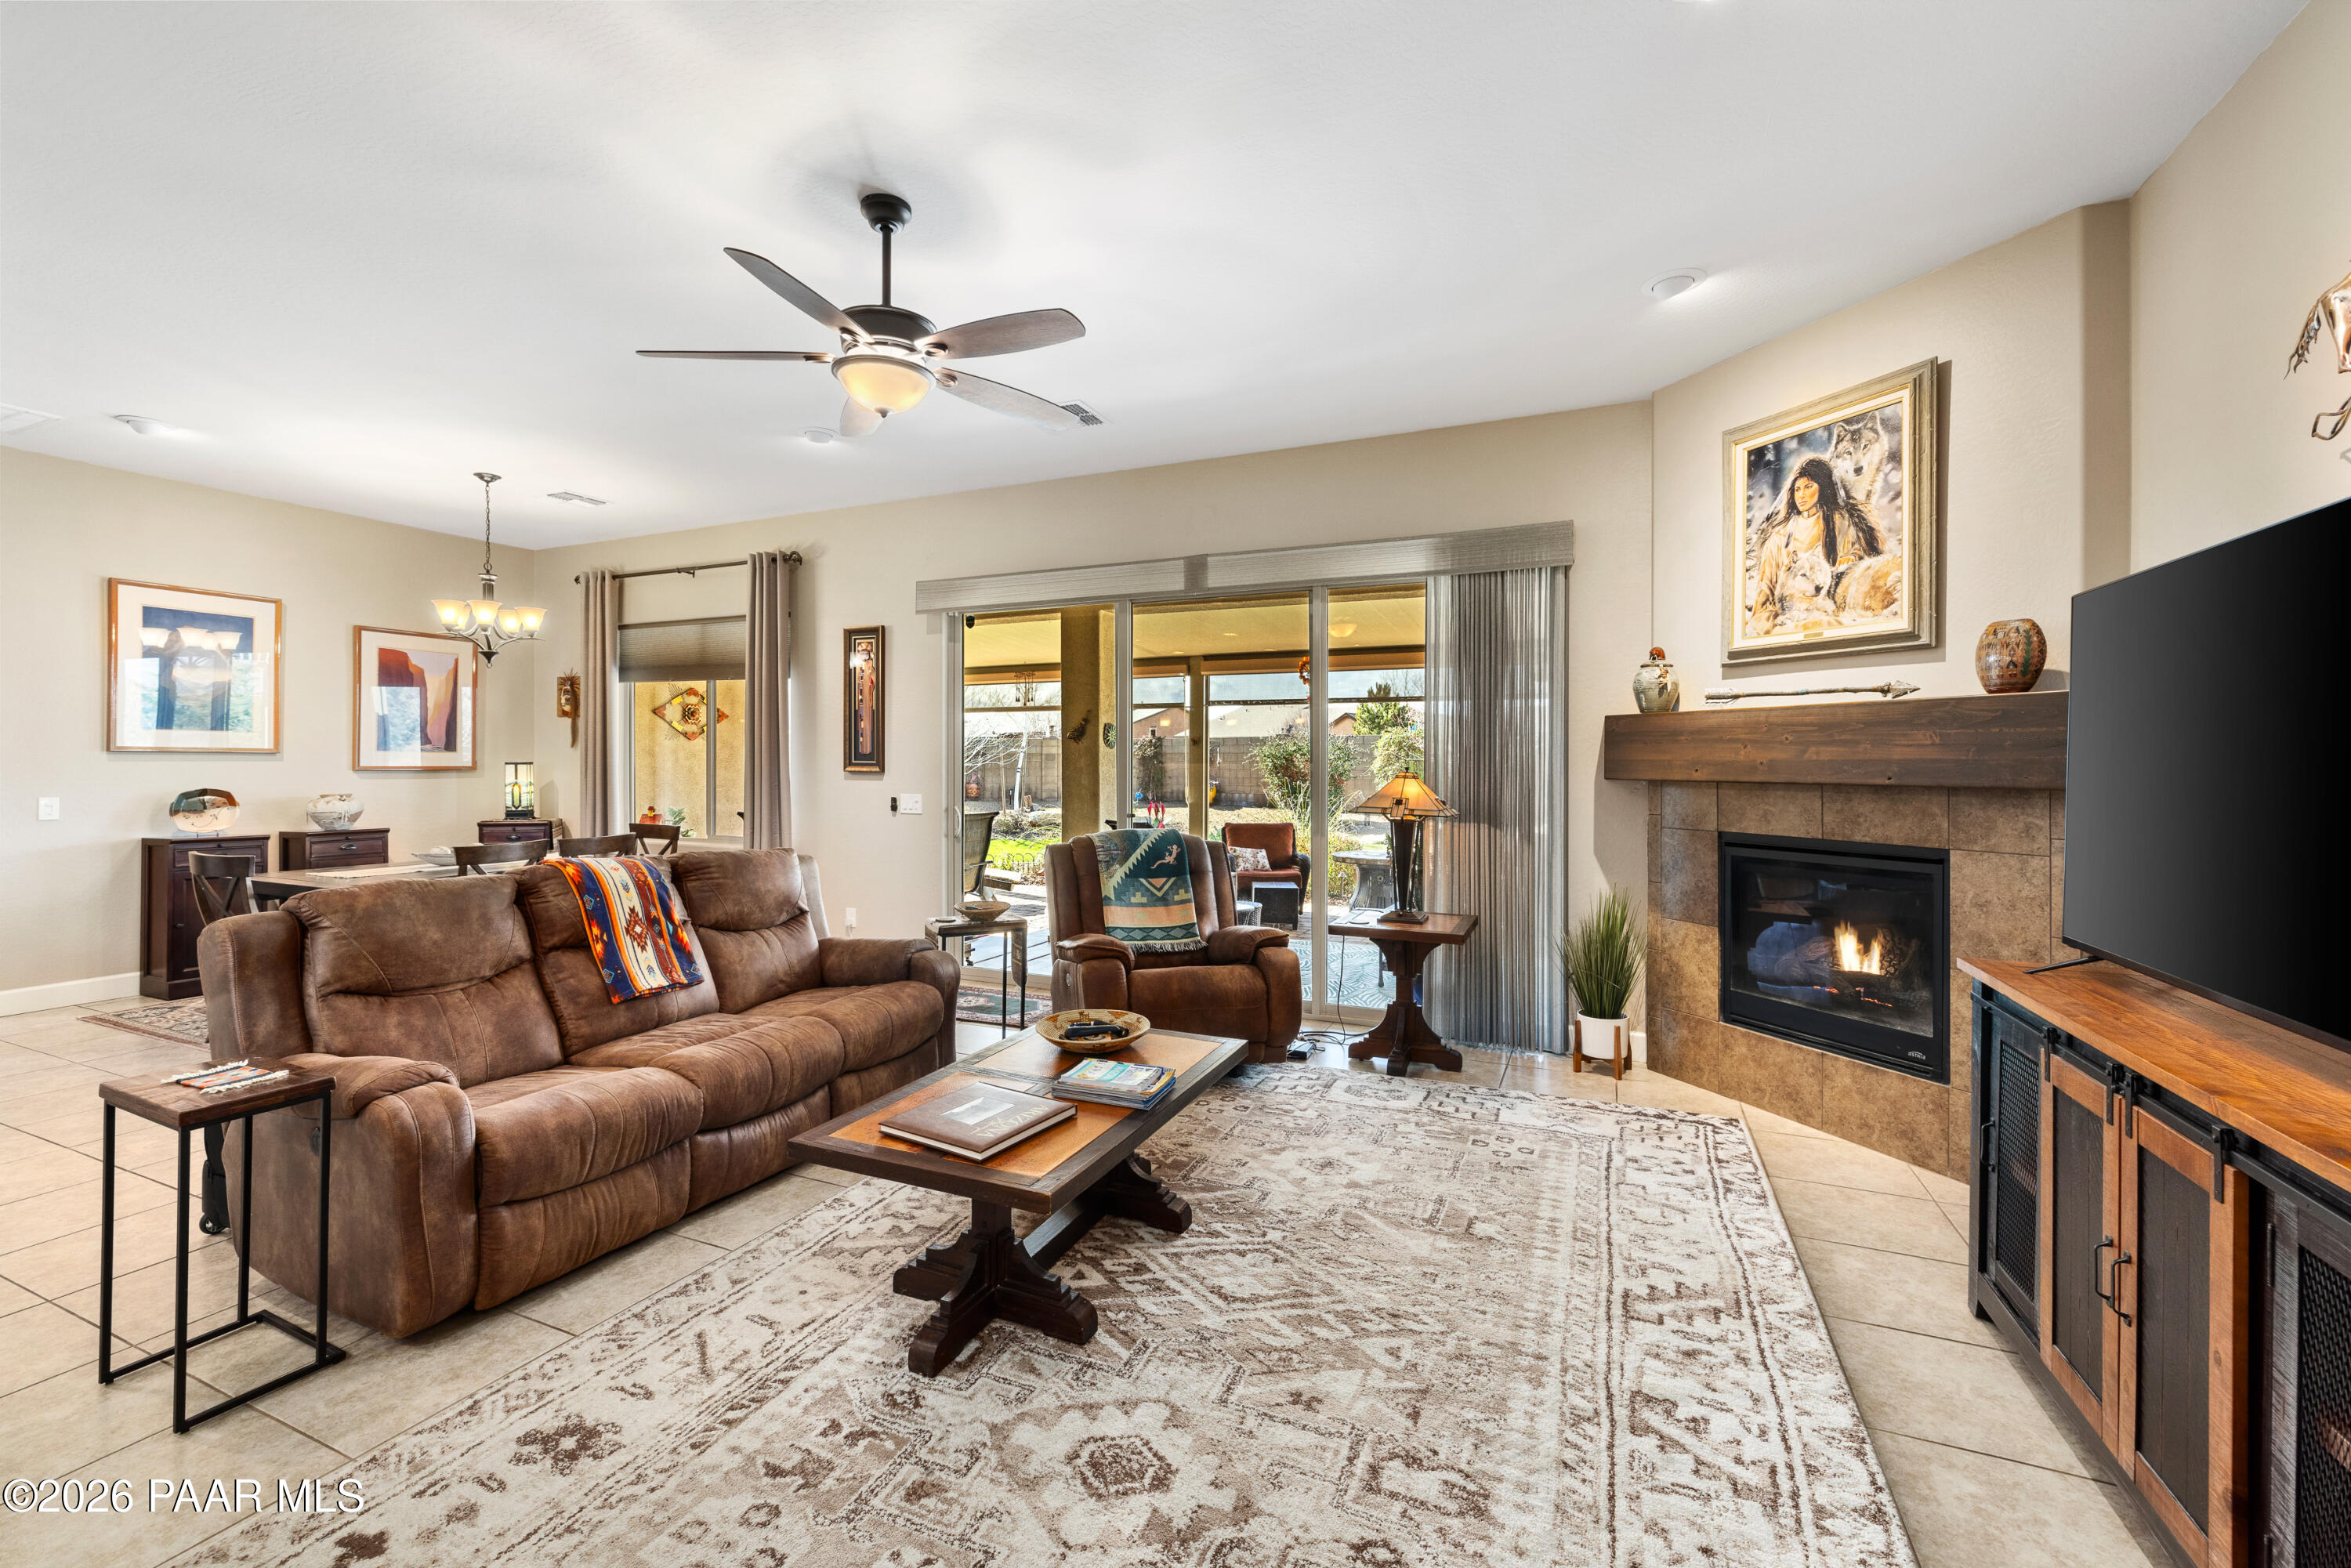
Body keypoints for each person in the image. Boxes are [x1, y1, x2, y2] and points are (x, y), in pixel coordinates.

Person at [1744, 455, 1897, 637]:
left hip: (1839, 598)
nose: (1801, 494)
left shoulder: (1844, 521)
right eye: (1797, 489)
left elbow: (1859, 564)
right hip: (1791, 608)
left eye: (1808, 487)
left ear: (1823, 487)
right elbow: (1767, 586)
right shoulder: (1780, 534)